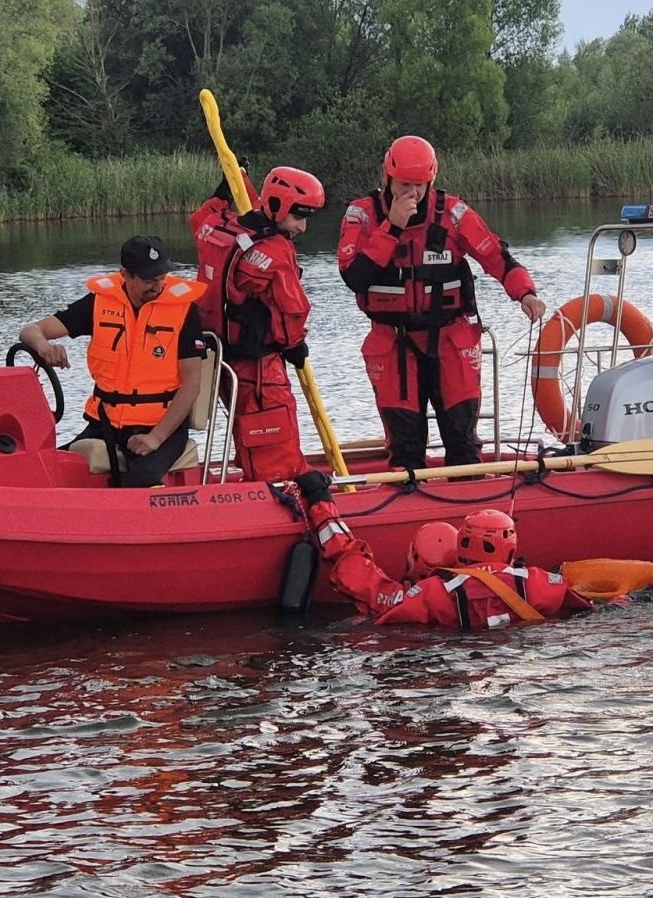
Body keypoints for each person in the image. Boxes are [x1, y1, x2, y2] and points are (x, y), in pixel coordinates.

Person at [338, 135, 547, 471]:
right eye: (404, 184)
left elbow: (494, 255)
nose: (412, 193)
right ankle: (409, 507)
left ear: (431, 181)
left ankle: (472, 507)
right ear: (387, 178)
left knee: (462, 438)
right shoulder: (362, 215)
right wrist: (392, 226)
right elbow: (354, 277)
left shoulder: (453, 213)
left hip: (451, 337)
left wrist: (525, 293)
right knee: (405, 444)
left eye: (420, 185)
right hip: (393, 342)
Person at [293, 471, 599, 629]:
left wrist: (320, 503)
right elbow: (591, 601)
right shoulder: (538, 582)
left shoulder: (433, 595)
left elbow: (359, 577)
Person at [18, 235, 207, 488]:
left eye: (161, 278)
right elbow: (30, 330)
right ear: (125, 275)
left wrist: (155, 437)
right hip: (105, 423)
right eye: (149, 279)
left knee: (140, 480)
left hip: (159, 426)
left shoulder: (184, 310)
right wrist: (44, 347)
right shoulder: (99, 303)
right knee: (47, 467)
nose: (158, 286)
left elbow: (192, 383)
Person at [189, 165, 326, 482]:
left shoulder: (219, 231)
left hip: (221, 362)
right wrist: (295, 346)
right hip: (261, 370)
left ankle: (254, 482)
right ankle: (279, 495)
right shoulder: (274, 251)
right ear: (278, 207)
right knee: (274, 444)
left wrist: (223, 195)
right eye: (299, 217)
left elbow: (201, 222)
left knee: (247, 433)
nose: (302, 227)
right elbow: (293, 310)